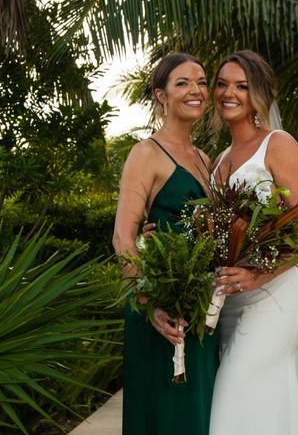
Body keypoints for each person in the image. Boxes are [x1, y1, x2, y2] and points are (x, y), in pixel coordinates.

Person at [208, 50, 298, 434]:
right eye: (222, 84)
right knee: (265, 404)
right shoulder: (219, 161)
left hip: (278, 296)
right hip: (233, 302)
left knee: (236, 393)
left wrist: (258, 275)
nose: (228, 93)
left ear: (260, 94)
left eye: (241, 86)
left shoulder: (278, 144)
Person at [113, 52, 220, 435]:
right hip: (161, 306)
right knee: (165, 415)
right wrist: (150, 301)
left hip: (201, 303)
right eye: (183, 83)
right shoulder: (146, 153)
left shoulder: (206, 160)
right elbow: (123, 236)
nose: (196, 90)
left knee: (196, 414)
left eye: (202, 82)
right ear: (161, 95)